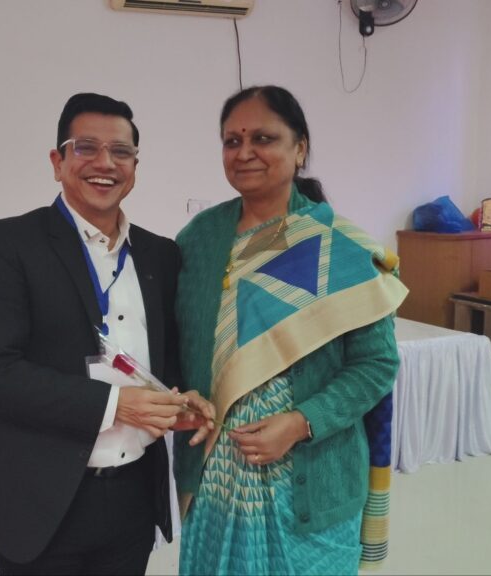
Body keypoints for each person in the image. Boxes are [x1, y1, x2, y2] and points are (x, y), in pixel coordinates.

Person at [0, 92, 213, 575]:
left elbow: (164, 361)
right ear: (58, 162)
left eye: (121, 151)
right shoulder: (10, 243)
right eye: (86, 148)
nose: (105, 163)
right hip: (41, 497)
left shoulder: (159, 254)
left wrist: (179, 400)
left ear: (135, 166)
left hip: (134, 496)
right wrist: (115, 405)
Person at [173, 85, 408, 575]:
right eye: (232, 141)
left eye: (263, 138)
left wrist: (301, 423)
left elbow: (377, 363)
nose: (245, 152)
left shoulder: (341, 246)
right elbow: (182, 345)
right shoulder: (198, 241)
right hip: (217, 478)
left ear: (300, 148)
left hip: (309, 476)